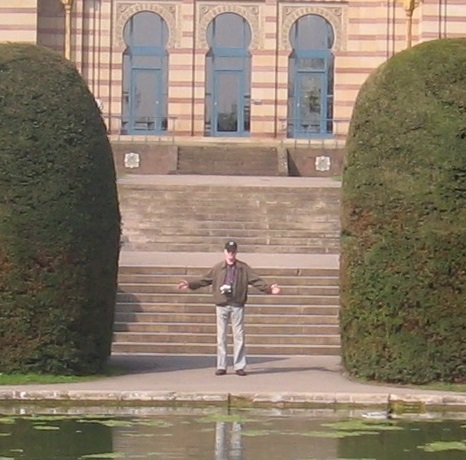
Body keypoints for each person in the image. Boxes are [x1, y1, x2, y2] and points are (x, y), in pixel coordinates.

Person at [177, 241, 281, 376]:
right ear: (224, 252)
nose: (231, 254)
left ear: (236, 252)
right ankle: (222, 366)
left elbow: (256, 280)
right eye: (228, 251)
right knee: (221, 337)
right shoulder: (218, 268)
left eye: (233, 251)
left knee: (239, 336)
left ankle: (239, 366)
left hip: (237, 304)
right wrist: (190, 284)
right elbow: (205, 280)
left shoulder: (243, 268)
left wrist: (269, 289)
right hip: (222, 304)